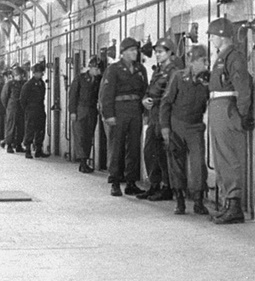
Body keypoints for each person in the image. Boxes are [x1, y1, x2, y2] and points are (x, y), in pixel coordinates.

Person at [207, 17, 254, 225]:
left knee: (228, 156)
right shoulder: (221, 57)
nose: (211, 40)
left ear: (220, 36)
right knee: (219, 157)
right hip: (218, 107)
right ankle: (227, 202)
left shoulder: (234, 57)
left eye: (212, 36)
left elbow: (243, 86)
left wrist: (242, 114)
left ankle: (234, 204)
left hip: (227, 108)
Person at [160, 44, 210, 215]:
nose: (206, 63)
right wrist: (165, 128)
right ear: (193, 61)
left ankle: (198, 201)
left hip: (195, 126)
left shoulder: (207, 81)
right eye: (203, 60)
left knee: (198, 164)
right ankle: (179, 200)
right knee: (177, 164)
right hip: (177, 125)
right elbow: (166, 103)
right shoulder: (178, 77)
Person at [98, 37, 148, 196]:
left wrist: (145, 112)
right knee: (116, 146)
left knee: (133, 147)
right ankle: (114, 181)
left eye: (136, 50)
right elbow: (107, 93)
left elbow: (144, 91)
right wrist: (109, 115)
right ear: (124, 52)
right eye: (132, 50)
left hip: (135, 110)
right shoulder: (113, 69)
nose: (135, 53)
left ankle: (131, 182)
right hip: (119, 110)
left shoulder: (141, 69)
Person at [138, 38, 180, 200]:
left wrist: (155, 102)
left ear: (170, 52)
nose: (157, 55)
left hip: (165, 115)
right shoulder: (158, 70)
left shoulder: (174, 70)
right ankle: (154, 184)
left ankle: (167, 186)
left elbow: (171, 94)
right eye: (156, 52)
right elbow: (150, 90)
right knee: (150, 150)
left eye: (160, 52)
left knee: (164, 152)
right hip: (154, 114)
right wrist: (145, 100)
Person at [68, 56, 102, 173]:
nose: (98, 72)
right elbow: (73, 96)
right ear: (91, 68)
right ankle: (82, 163)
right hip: (80, 110)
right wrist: (72, 111)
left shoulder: (99, 80)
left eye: (99, 69)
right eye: (96, 69)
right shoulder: (80, 78)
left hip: (92, 111)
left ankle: (85, 161)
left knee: (88, 136)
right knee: (80, 136)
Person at [20, 62, 47, 158]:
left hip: (40, 109)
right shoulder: (28, 85)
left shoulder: (42, 84)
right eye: (39, 72)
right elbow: (22, 100)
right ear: (34, 73)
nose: (41, 74)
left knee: (40, 130)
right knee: (30, 130)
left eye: (41, 72)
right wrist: (27, 110)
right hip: (31, 110)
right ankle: (28, 150)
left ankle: (38, 149)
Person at [1, 65, 25, 153]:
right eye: (18, 75)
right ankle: (9, 145)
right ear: (14, 76)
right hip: (12, 108)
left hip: (21, 109)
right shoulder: (9, 84)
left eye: (21, 74)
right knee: (11, 127)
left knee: (21, 127)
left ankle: (19, 144)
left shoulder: (24, 84)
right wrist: (8, 107)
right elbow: (4, 97)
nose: (20, 76)